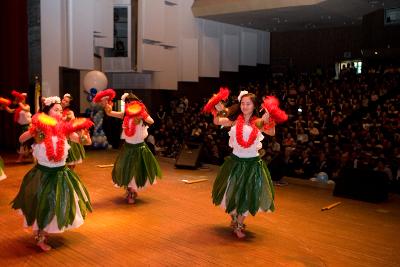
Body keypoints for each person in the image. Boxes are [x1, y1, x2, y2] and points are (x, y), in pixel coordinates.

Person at [11, 96, 93, 251]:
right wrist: (34, 132)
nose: (60, 112)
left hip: (61, 174)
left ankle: (42, 231)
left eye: (61, 110)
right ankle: (40, 236)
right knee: (44, 205)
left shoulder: (65, 129)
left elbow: (82, 141)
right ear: (47, 112)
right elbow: (22, 138)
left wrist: (85, 138)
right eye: (56, 110)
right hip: (43, 174)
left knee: (55, 204)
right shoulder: (40, 127)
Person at [210, 91, 287, 238]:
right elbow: (217, 121)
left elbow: (271, 131)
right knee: (232, 193)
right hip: (235, 162)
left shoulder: (258, 121)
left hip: (252, 165)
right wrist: (218, 109)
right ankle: (234, 218)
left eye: (248, 104)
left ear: (254, 106)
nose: (245, 106)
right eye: (243, 103)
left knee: (247, 195)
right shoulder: (235, 120)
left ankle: (239, 225)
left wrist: (267, 118)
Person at [101, 90, 162, 204]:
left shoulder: (141, 112)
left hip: (139, 148)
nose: (128, 105)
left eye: (128, 103)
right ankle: (130, 191)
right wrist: (107, 107)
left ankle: (132, 192)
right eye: (126, 104)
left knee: (135, 172)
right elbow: (110, 113)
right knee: (126, 170)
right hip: (128, 148)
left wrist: (142, 116)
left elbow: (151, 121)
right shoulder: (125, 115)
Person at [6, 90, 32, 162]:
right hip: (22, 127)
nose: (22, 100)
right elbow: (10, 111)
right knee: (23, 142)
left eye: (23, 99)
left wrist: (19, 101)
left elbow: (24, 108)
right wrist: (5, 106)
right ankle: (23, 157)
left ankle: (24, 158)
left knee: (27, 142)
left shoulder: (27, 107)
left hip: (29, 127)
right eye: (21, 99)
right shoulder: (18, 109)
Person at [61, 93, 86, 169]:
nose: (63, 102)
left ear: (69, 104)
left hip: (69, 136)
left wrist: (66, 118)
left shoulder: (70, 112)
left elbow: (73, 121)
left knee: (71, 160)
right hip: (59, 136)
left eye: (66, 101)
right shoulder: (56, 109)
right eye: (63, 100)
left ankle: (70, 174)